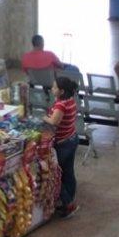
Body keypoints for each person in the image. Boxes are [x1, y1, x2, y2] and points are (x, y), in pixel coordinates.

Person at [44, 77, 79, 218]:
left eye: (54, 88)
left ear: (62, 91)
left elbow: (54, 122)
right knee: (68, 172)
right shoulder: (70, 100)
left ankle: (68, 204)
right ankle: (68, 200)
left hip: (63, 144)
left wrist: (43, 118)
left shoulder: (61, 105)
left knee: (56, 174)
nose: (52, 89)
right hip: (72, 138)